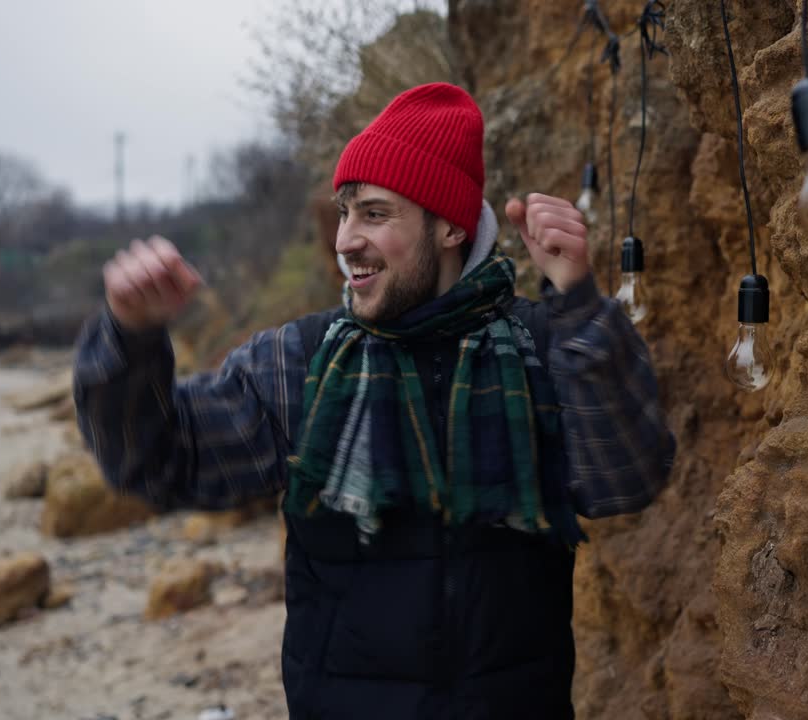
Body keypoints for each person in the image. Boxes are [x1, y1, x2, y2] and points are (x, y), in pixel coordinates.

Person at [74, 82, 675, 719]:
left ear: (449, 225)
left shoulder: (545, 344)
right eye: (344, 212)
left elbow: (625, 480)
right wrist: (131, 340)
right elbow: (159, 461)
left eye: (375, 214)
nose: (345, 239)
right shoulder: (301, 362)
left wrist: (580, 301)